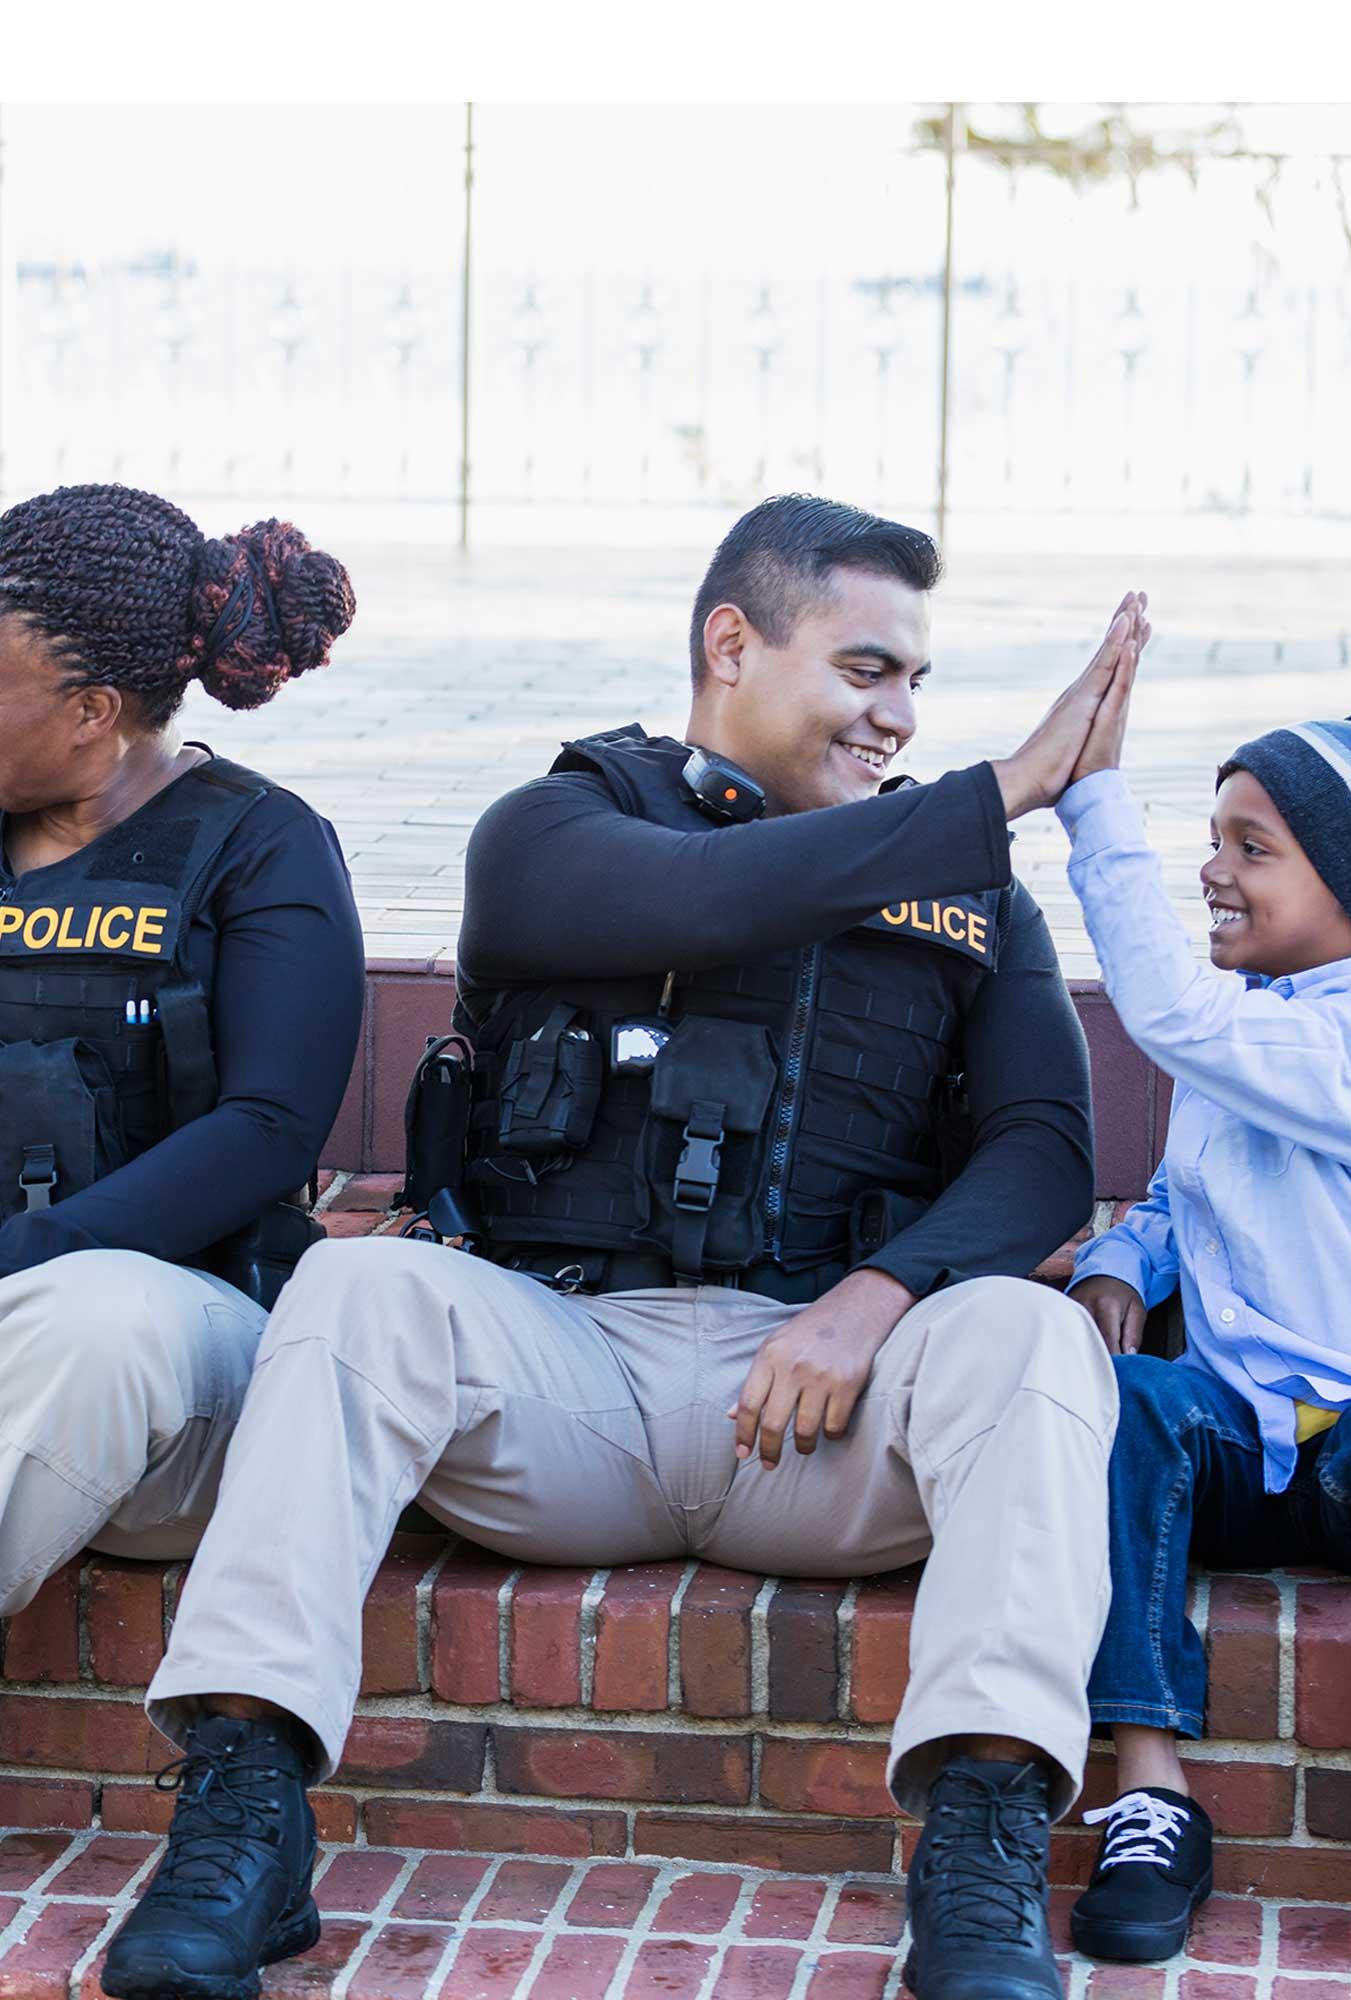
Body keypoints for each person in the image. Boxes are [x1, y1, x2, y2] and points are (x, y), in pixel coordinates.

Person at [106, 496, 1145, 2000]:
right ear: (733, 643)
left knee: (1034, 1337)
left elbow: (1048, 1150)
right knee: (356, 1284)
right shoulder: (561, 827)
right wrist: (1002, 788)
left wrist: (877, 1297)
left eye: (916, 683)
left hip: (827, 1415)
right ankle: (240, 1817)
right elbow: (720, 896)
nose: (899, 715)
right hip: (567, 1379)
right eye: (867, 670)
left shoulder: (973, 893)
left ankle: (981, 1845)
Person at [1051, 646, 1351, 1976]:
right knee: (1131, 1397)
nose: (1214, 869)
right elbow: (1181, 1195)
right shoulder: (1250, 1026)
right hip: (1243, 1442)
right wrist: (1124, 1265)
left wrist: (1090, 794)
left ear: (1350, 887)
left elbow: (1167, 1014)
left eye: (1251, 846)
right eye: (1211, 837)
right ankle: (1152, 1796)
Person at [0, 482, 364, 1626]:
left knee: (90, 1319)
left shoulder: (261, 844)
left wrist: (28, 1252)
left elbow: (269, 1129)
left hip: (180, 1359)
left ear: (93, 708)